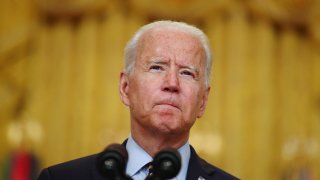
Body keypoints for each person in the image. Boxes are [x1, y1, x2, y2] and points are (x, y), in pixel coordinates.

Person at [37, 20, 238, 180]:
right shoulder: (61, 177)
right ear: (126, 88)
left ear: (202, 101)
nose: (172, 83)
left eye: (186, 73)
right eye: (157, 67)